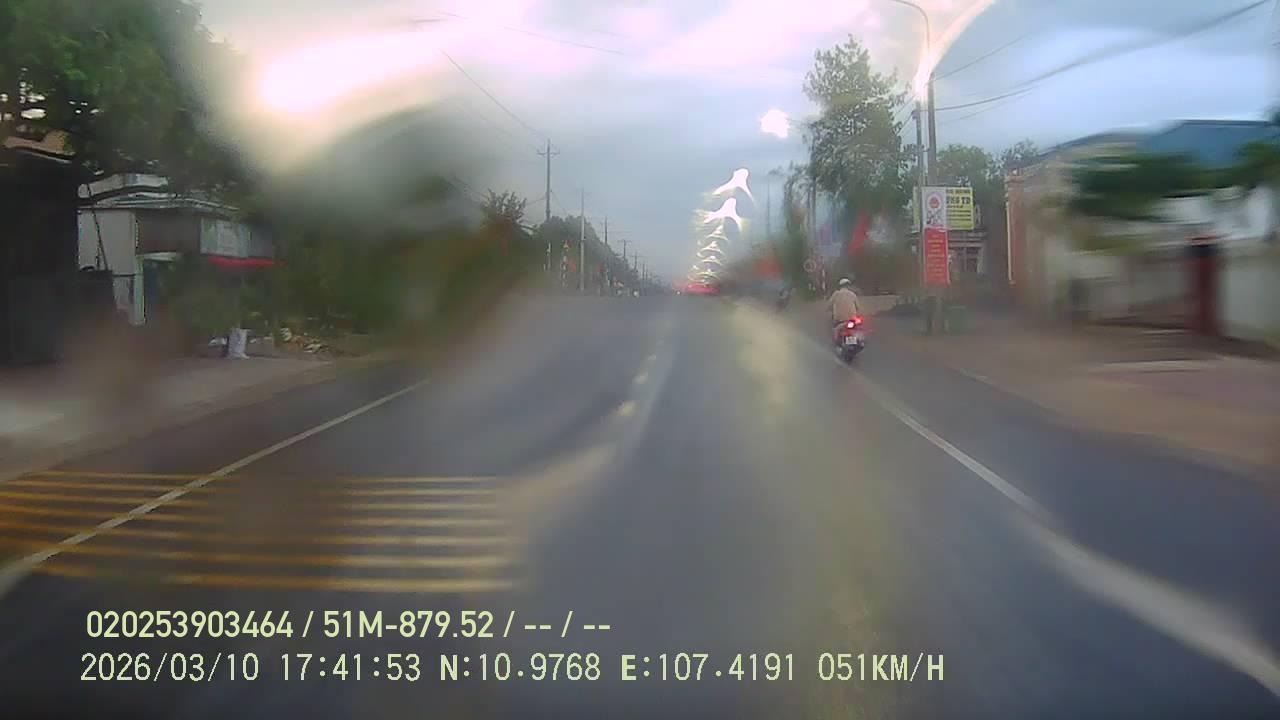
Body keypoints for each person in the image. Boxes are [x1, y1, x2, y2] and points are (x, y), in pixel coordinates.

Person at [827, 277, 862, 342]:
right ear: (848, 286)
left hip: (839, 319)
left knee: (835, 328)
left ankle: (837, 341)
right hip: (852, 319)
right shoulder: (852, 294)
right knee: (857, 327)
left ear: (840, 286)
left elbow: (829, 305)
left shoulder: (836, 294)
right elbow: (858, 307)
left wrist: (829, 309)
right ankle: (855, 339)